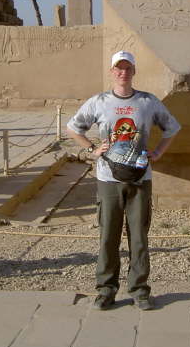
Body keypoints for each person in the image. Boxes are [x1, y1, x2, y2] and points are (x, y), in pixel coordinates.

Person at [66, 51, 181, 311]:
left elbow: (172, 127)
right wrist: (91, 149)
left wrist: (159, 152)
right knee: (109, 235)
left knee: (139, 236)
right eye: (118, 68)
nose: (123, 73)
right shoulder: (99, 101)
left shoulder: (147, 102)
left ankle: (140, 290)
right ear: (112, 71)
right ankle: (106, 289)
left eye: (127, 68)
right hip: (108, 178)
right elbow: (73, 127)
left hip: (140, 178)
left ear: (134, 71)